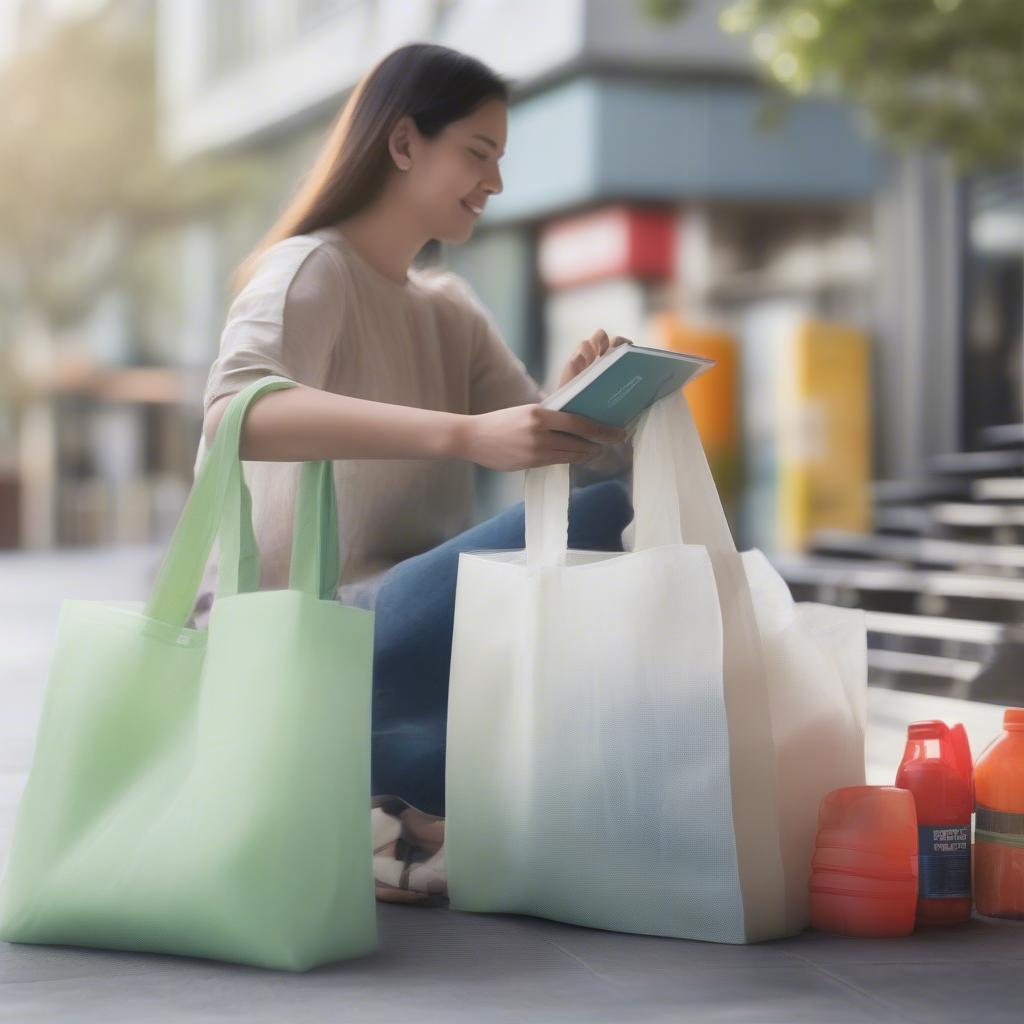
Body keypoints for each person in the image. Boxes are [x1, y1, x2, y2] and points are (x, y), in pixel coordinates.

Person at [190, 43, 637, 838]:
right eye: (477, 153)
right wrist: (464, 436)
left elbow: (556, 455)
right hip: (288, 638)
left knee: (608, 523)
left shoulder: (448, 309)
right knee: (600, 526)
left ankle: (379, 805)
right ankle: (376, 801)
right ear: (403, 144)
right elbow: (234, 413)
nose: (495, 183)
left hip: (398, 643)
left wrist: (577, 405)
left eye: (499, 159)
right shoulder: (309, 270)